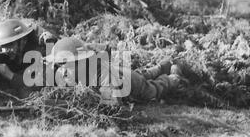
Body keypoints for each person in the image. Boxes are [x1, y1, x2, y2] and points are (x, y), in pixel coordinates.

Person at [44, 37, 189, 104]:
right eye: (59, 64)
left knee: (155, 90)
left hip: (132, 84)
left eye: (66, 64)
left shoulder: (101, 73)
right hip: (122, 73)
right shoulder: (63, 72)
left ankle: (174, 73)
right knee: (145, 74)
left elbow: (112, 103)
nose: (62, 69)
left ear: (81, 61)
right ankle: (162, 65)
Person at [0, 19, 57, 97]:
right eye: (3, 46)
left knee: (24, 93)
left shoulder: (41, 50)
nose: (6, 50)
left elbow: (43, 82)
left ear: (23, 41)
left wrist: (10, 75)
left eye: (10, 45)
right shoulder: (5, 51)